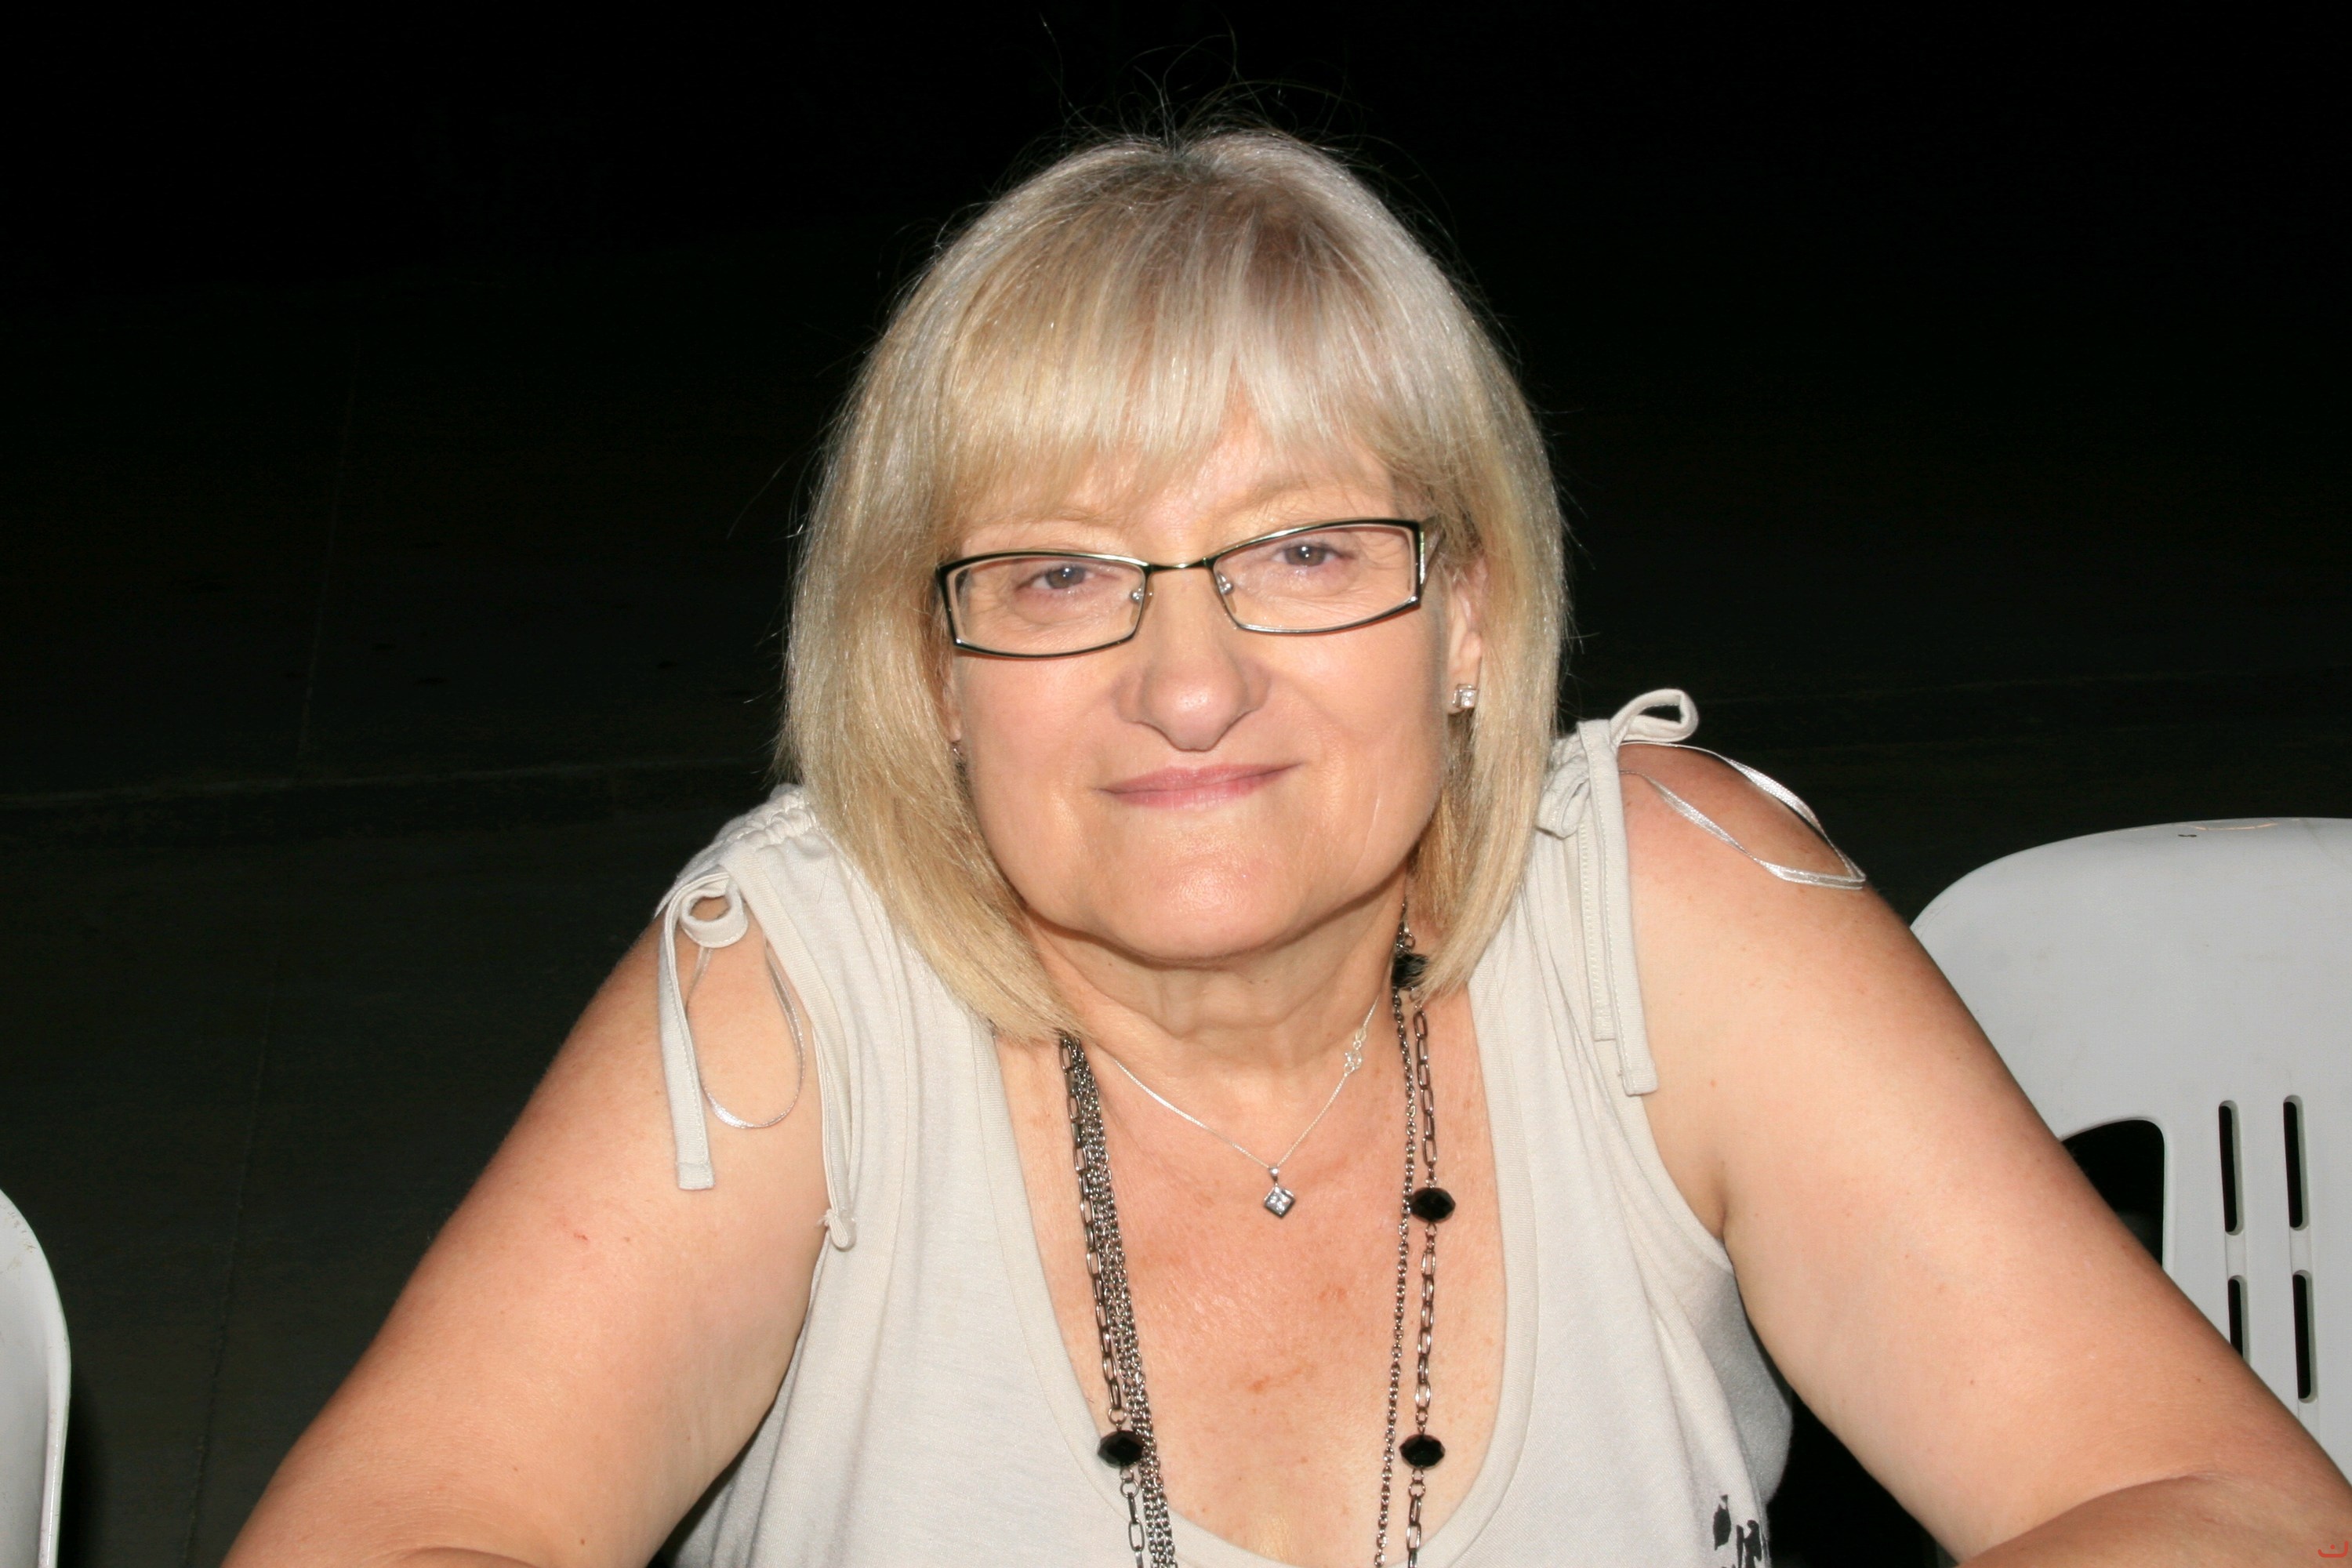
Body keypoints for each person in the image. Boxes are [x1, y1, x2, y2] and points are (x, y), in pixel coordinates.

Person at [225, 128, 2349, 1568]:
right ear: (930, 667)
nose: (1189, 683)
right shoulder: (801, 991)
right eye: (1062, 575)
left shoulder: (1665, 916)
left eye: (1306, 549)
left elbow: (2223, 1505)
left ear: (1473, 609)